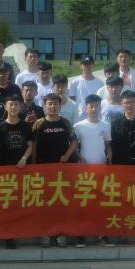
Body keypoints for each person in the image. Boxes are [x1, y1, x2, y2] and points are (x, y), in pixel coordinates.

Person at [33, 94, 79, 249]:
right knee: (45, 201)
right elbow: (33, 145)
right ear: (44, 106)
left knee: (61, 201)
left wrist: (67, 155)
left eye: (55, 104)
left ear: (60, 106)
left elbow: (74, 142)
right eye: (49, 104)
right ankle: (46, 233)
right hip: (43, 169)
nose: (52, 106)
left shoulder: (65, 123)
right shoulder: (38, 123)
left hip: (62, 169)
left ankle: (60, 233)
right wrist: (33, 164)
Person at [73, 95, 112, 248]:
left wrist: (110, 154)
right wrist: (79, 157)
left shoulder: (106, 126)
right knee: (83, 204)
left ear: (100, 107)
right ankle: (80, 236)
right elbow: (74, 148)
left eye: (97, 106)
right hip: (84, 171)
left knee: (101, 204)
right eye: (91, 106)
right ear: (86, 107)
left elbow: (108, 145)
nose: (94, 109)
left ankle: (102, 235)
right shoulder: (78, 126)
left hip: (101, 169)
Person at [0, 94, 34, 169]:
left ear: (20, 107)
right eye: (10, 104)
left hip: (24, 166)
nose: (13, 107)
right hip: (5, 166)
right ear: (5, 107)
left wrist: (24, 158)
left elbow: (30, 145)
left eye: (16, 104)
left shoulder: (26, 126)